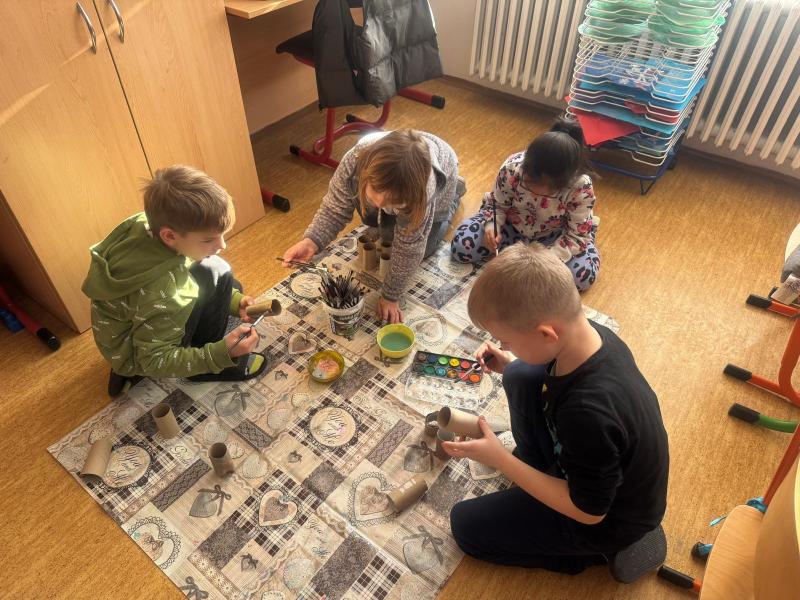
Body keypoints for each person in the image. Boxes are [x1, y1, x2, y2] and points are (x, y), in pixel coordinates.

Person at [444, 244, 669, 579]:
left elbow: (589, 512)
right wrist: (512, 362)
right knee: (520, 373)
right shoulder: (591, 335)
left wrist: (501, 459)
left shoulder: (587, 415)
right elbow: (542, 367)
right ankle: (540, 470)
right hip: (593, 468)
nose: (503, 345)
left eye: (506, 340)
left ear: (546, 334)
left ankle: (592, 554)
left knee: (465, 526)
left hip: (605, 518)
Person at [82, 165, 265, 396]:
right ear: (169, 236)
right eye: (209, 240)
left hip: (124, 338)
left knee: (226, 282)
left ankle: (130, 363)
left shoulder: (147, 223)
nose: (222, 245)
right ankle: (202, 371)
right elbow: (155, 360)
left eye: (222, 236)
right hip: (141, 356)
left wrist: (233, 300)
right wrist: (220, 354)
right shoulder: (163, 292)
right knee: (217, 271)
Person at [282, 129, 463, 323]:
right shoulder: (353, 162)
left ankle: (454, 195)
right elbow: (334, 209)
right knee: (378, 224)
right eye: (375, 190)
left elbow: (411, 248)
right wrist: (311, 242)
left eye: (393, 201)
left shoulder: (423, 191)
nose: (379, 203)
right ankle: (388, 206)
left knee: (423, 248)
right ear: (366, 171)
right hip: (403, 170)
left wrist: (391, 295)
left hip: (443, 174)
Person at [450, 116, 600, 291]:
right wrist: (492, 226)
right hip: (512, 227)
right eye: (532, 181)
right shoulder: (513, 168)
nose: (538, 191)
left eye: (550, 188)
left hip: (555, 237)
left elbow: (576, 235)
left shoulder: (580, 186)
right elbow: (497, 204)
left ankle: (588, 231)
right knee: (462, 247)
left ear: (564, 181)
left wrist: (544, 261)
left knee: (581, 278)